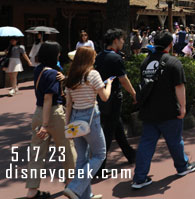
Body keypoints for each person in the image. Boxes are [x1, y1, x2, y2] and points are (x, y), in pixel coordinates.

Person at [131, 31, 195, 189]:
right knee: (175, 141)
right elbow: (179, 87)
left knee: (146, 144)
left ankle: (139, 178)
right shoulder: (173, 62)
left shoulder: (145, 62)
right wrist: (182, 107)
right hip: (168, 110)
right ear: (170, 44)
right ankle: (182, 167)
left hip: (148, 109)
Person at [24, 42, 76, 199]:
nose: (59, 55)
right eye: (58, 53)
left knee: (37, 153)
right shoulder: (52, 73)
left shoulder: (38, 70)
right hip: (53, 114)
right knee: (67, 149)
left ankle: (32, 190)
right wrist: (46, 125)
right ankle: (72, 184)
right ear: (54, 55)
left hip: (38, 113)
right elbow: (48, 99)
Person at [63, 47, 113, 199]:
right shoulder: (93, 74)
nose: (95, 58)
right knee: (100, 154)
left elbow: (69, 104)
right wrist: (109, 84)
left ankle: (85, 195)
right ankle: (74, 187)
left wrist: (67, 126)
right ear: (88, 58)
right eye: (93, 56)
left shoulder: (71, 77)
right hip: (90, 116)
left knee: (82, 158)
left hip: (75, 118)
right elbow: (104, 97)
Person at [95, 29, 137, 175]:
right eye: (122, 39)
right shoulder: (116, 58)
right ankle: (100, 166)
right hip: (114, 97)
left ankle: (131, 154)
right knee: (108, 131)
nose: (123, 42)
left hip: (101, 97)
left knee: (116, 126)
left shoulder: (99, 57)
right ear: (115, 41)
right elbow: (123, 80)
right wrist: (133, 93)